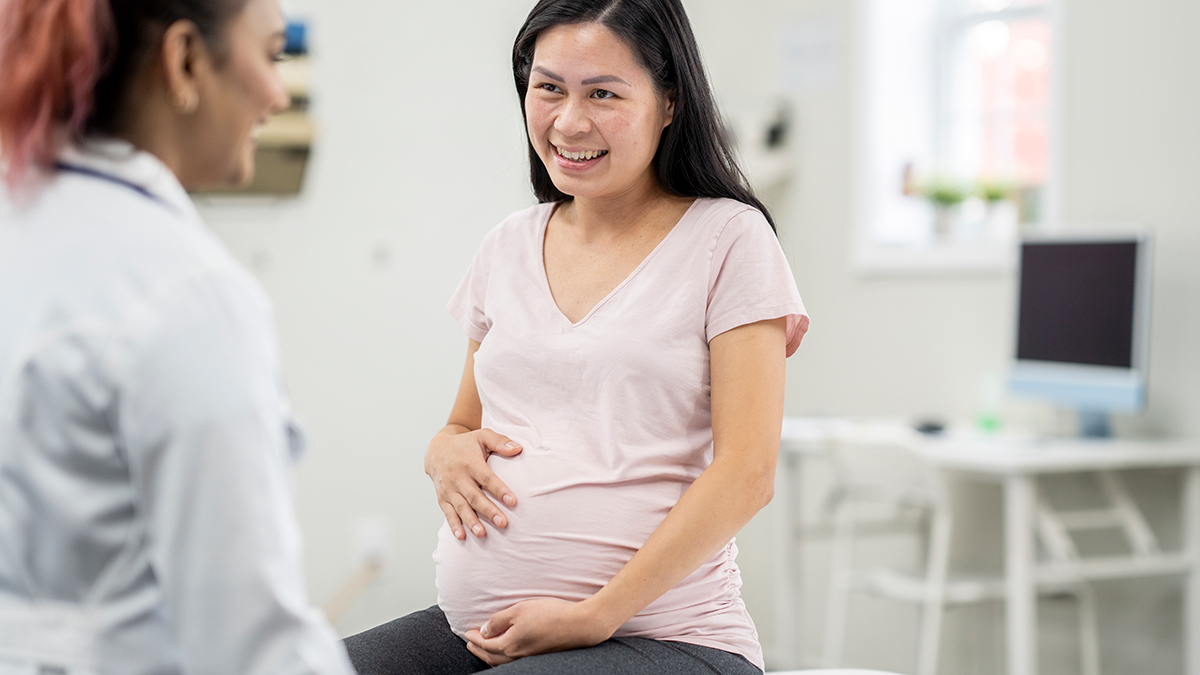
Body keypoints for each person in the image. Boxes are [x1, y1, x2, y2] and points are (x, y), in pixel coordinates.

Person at [343, 1, 809, 674]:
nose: (569, 121)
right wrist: (442, 453)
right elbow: (459, 425)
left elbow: (747, 473)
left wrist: (594, 614)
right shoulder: (508, 245)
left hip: (670, 638)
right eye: (549, 87)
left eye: (603, 94)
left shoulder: (729, 239)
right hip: (483, 630)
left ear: (670, 101)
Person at [0, 1, 356, 673]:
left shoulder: (20, 229)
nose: (278, 93)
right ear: (186, 59)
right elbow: (252, 648)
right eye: (271, 54)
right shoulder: (182, 291)